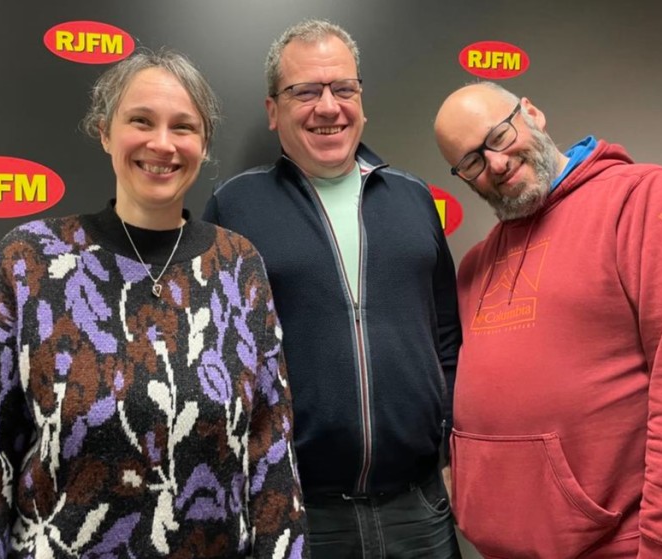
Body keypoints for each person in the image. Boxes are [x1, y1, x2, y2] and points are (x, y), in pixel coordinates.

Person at [0, 48, 308, 558]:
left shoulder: (238, 265)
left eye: (183, 127)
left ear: (203, 144)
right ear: (105, 132)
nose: (162, 143)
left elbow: (271, 453)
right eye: (141, 121)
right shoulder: (29, 261)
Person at [433, 81, 662, 559]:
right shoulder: (476, 265)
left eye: (499, 136)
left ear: (532, 113)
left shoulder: (648, 203)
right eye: (472, 163)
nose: (495, 164)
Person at [202, 19, 461, 559]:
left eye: (343, 88)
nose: (328, 107)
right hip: (297, 510)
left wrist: (453, 445)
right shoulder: (235, 208)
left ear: (361, 101)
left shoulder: (413, 199)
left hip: (421, 508)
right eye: (305, 92)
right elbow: (213, 358)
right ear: (273, 110)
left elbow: (445, 335)